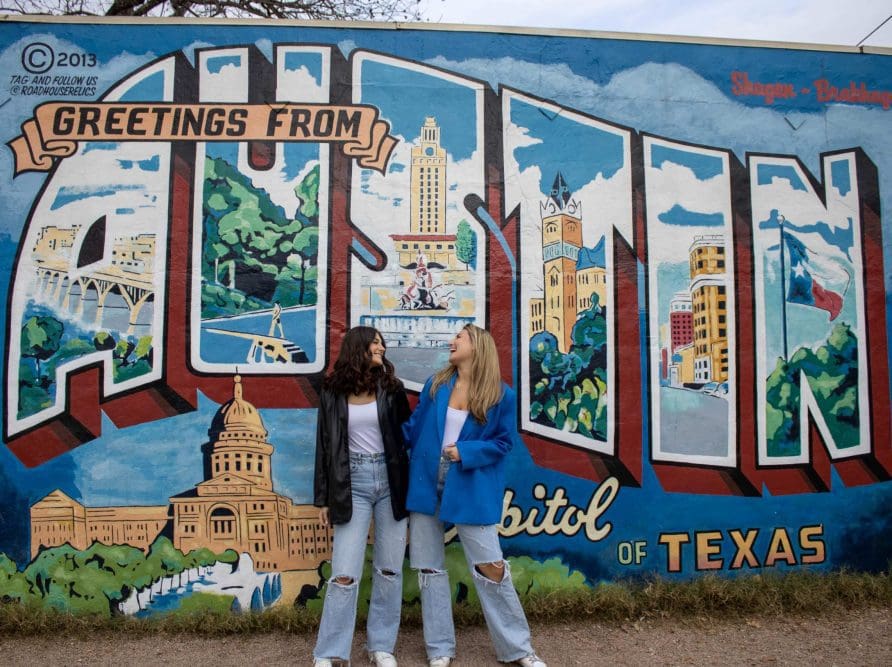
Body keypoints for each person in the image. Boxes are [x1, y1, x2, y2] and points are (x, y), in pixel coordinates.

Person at [403, 324, 546, 667]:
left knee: (491, 567)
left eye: (459, 337)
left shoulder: (501, 394)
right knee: (430, 568)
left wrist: (465, 451)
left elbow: (503, 443)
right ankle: (439, 649)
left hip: (469, 482)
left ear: (477, 346)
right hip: (425, 481)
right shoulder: (436, 385)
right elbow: (413, 429)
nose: (451, 341)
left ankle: (518, 649)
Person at [313, 326, 411, 667]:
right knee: (344, 573)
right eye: (375, 341)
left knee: (389, 569)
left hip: (390, 481)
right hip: (350, 483)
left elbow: (404, 440)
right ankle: (329, 651)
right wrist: (323, 498)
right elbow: (325, 446)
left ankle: (381, 646)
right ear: (358, 346)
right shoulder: (330, 390)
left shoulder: (391, 388)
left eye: (383, 341)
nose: (381, 346)